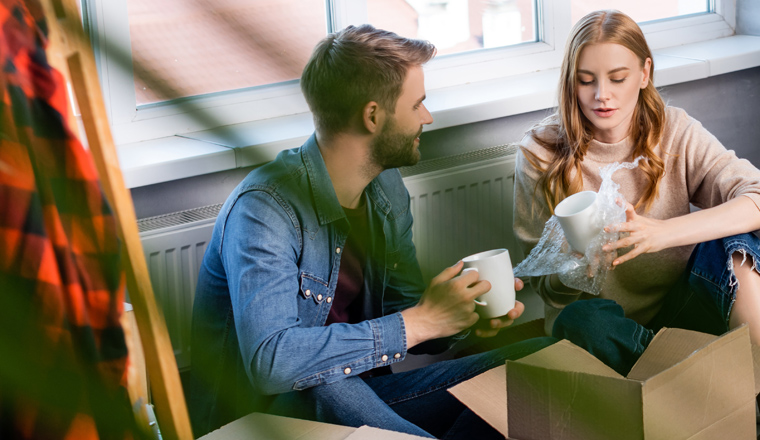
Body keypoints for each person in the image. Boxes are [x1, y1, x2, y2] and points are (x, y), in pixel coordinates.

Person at [189, 24, 555, 438]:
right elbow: (274, 362)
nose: (427, 117)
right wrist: (420, 322)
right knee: (323, 381)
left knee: (540, 365)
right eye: (417, 104)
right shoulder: (265, 208)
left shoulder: (384, 189)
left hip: (366, 395)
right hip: (265, 418)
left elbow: (405, 310)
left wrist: (460, 315)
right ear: (373, 115)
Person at [513, 9, 760, 376]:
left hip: (682, 308)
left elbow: (754, 194)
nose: (602, 96)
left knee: (736, 240)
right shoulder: (539, 152)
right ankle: (703, 384)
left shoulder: (674, 130)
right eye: (585, 81)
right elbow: (543, 288)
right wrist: (570, 270)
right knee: (581, 321)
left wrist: (660, 234)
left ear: (644, 73)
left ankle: (749, 383)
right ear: (571, 82)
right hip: (610, 331)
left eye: (617, 78)